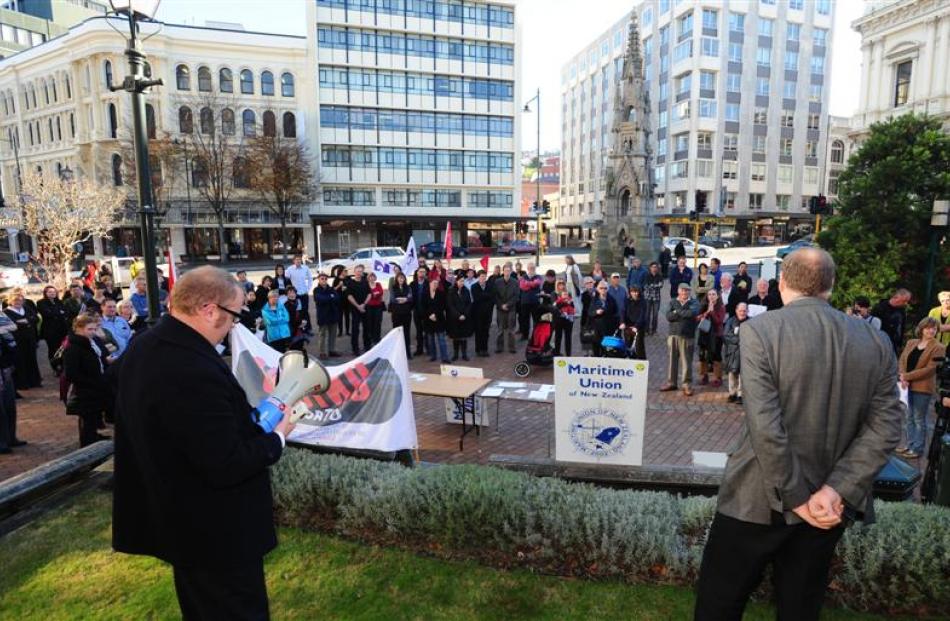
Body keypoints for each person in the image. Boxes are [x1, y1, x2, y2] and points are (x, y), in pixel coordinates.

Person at [695, 248, 902, 621]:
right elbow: (886, 426)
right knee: (800, 609)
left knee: (719, 604)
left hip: (756, 499)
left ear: (782, 283)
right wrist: (835, 490)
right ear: (831, 286)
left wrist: (798, 498)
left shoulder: (760, 330)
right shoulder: (875, 341)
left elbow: (765, 425)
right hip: (828, 505)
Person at [113, 266, 295, 620]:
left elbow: (189, 431)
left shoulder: (146, 345)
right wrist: (277, 437)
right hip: (217, 534)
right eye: (234, 316)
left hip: (183, 526)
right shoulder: (189, 366)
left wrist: (251, 417)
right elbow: (226, 462)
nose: (235, 325)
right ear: (210, 309)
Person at [897, 317, 945, 460]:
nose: (931, 330)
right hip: (906, 385)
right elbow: (902, 360)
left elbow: (929, 370)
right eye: (928, 327)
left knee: (919, 419)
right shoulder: (911, 343)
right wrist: (902, 376)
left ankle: (917, 449)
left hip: (922, 387)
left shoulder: (939, 347)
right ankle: (910, 444)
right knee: (908, 417)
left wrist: (906, 376)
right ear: (922, 329)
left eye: (934, 328)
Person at [63, 314, 111, 447]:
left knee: (94, 417)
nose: (93, 332)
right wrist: (91, 382)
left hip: (95, 386)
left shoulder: (90, 342)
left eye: (94, 329)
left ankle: (94, 436)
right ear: (79, 328)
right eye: (90, 329)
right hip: (85, 390)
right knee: (87, 420)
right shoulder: (73, 348)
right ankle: (88, 444)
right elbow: (71, 373)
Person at [660, 283, 699, 396]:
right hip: (673, 335)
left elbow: (691, 314)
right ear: (678, 291)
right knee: (672, 360)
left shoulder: (694, 302)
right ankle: (671, 382)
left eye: (687, 290)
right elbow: (668, 316)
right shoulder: (672, 301)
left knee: (686, 361)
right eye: (682, 290)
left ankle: (687, 384)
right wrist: (680, 312)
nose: (684, 293)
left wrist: (677, 311)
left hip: (687, 335)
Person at [4, 290, 42, 390]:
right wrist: (25, 322)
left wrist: (27, 320)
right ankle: (23, 383)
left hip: (30, 339)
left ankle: (34, 381)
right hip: (18, 340)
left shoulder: (26, 308)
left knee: (32, 360)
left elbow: (36, 318)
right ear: (10, 301)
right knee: (20, 361)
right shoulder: (6, 312)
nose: (18, 302)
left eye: (21, 300)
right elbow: (11, 324)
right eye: (16, 300)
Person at [0, 311, 21, 453]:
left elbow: (12, 326)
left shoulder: (1, 315)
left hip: (6, 367)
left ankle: (11, 438)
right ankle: (2, 442)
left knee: (9, 405)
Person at [696, 289, 726, 388]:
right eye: (709, 294)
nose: (711, 296)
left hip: (716, 335)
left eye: (714, 294)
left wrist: (712, 312)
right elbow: (697, 318)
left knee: (716, 356)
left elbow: (719, 321)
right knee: (703, 355)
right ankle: (704, 375)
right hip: (704, 334)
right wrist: (706, 312)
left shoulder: (721, 307)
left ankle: (717, 377)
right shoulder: (703, 305)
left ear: (717, 296)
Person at [722, 302, 749, 405]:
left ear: (747, 311)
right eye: (740, 310)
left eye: (744, 310)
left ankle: (740, 394)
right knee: (732, 373)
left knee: (743, 374)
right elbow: (726, 335)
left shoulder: (750, 321)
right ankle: (732, 393)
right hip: (732, 352)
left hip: (745, 352)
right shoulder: (730, 321)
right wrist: (739, 340)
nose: (742, 312)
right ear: (736, 310)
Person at [37, 285, 70, 369]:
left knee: (62, 348)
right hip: (50, 330)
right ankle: (55, 367)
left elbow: (66, 312)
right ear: (45, 293)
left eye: (54, 292)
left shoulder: (59, 301)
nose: (52, 293)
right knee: (52, 349)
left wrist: (56, 313)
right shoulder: (41, 302)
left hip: (62, 329)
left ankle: (63, 365)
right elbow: (47, 313)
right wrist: (59, 312)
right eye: (50, 292)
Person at [871, 288, 911, 356]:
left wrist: (900, 344)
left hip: (894, 344)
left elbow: (902, 327)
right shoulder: (880, 308)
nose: (905, 303)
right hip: (880, 343)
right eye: (904, 301)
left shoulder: (902, 311)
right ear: (897, 297)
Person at [313, 273, 341, 360]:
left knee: (333, 334)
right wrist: (330, 297)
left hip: (333, 314)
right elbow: (320, 299)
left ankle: (331, 350)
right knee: (322, 334)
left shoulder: (331, 288)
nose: (324, 280)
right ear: (318, 279)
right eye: (322, 278)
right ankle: (322, 352)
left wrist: (328, 297)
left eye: (325, 278)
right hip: (323, 315)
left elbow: (337, 298)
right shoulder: (316, 290)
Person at [423, 278, 451, 363]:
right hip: (428, 320)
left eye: (436, 283)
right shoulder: (425, 294)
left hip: (439, 319)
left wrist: (435, 314)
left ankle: (445, 357)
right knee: (431, 340)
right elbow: (422, 306)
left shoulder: (441, 294)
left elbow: (442, 306)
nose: (435, 285)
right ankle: (433, 356)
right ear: (429, 284)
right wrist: (429, 315)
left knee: (441, 340)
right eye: (433, 283)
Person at [447, 275, 474, 361]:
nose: (462, 283)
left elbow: (469, 304)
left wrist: (464, 315)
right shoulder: (451, 291)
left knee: (464, 337)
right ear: (456, 281)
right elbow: (450, 305)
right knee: (456, 338)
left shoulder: (466, 291)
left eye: (463, 281)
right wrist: (458, 315)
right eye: (460, 281)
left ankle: (464, 354)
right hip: (455, 318)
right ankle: (455, 354)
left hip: (464, 318)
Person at [346, 265, 371, 355]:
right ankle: (355, 349)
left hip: (365, 308)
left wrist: (364, 304)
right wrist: (358, 306)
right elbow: (349, 296)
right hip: (355, 309)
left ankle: (367, 346)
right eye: (357, 271)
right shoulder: (350, 283)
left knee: (367, 328)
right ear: (354, 272)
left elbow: (369, 294)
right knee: (355, 329)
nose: (359, 273)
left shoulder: (365, 282)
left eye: (361, 271)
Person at [590, 280, 619, 357]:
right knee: (596, 349)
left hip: (608, 328)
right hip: (596, 329)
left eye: (605, 288)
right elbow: (590, 312)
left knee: (607, 349)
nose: (603, 290)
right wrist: (596, 312)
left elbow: (615, 312)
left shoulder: (611, 299)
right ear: (597, 289)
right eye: (601, 288)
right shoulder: (594, 299)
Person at [494, 264, 519, 354]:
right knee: (500, 329)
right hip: (500, 309)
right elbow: (495, 296)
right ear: (503, 271)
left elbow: (516, 296)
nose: (507, 272)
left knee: (511, 329)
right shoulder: (497, 282)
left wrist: (507, 304)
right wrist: (501, 305)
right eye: (505, 270)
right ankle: (499, 347)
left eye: (509, 270)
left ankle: (512, 347)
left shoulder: (515, 282)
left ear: (511, 271)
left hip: (511, 308)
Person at [388, 271, 414, 357]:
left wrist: (405, 299)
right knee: (397, 333)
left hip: (406, 313)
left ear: (405, 279)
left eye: (402, 278)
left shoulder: (408, 287)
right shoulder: (393, 287)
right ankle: (397, 352)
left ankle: (407, 352)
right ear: (396, 279)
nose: (401, 279)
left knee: (406, 333)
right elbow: (392, 299)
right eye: (399, 278)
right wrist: (404, 299)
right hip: (396, 313)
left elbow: (410, 297)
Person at [471, 270, 494, 357]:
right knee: (478, 332)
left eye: (484, 276)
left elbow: (492, 298)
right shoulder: (474, 286)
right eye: (481, 276)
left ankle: (485, 349)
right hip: (477, 314)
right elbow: (477, 298)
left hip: (488, 313)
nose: (483, 278)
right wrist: (486, 296)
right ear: (478, 277)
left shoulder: (490, 286)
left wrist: (484, 296)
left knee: (486, 332)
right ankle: (478, 349)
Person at [619, 285, 646, 360]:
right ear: (630, 293)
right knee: (628, 346)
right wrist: (622, 322)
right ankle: (631, 361)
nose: (635, 294)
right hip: (628, 326)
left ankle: (642, 362)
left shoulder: (642, 302)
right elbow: (623, 312)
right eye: (633, 292)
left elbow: (642, 315)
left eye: (636, 292)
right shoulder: (626, 301)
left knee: (639, 347)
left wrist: (636, 326)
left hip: (638, 327)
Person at [286, 255, 313, 324]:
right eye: (296, 259)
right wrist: (289, 292)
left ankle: (307, 328)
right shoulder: (289, 269)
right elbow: (286, 280)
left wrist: (308, 289)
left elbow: (310, 279)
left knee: (305, 311)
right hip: (294, 295)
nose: (298, 261)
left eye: (299, 259)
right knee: (296, 311)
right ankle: (298, 329)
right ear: (293, 261)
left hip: (304, 293)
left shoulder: (305, 268)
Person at [518, 263, 542, 339]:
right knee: (525, 319)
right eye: (530, 267)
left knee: (536, 320)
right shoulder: (524, 277)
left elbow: (537, 283)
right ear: (527, 268)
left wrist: (527, 283)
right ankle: (525, 335)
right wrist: (532, 284)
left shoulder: (538, 276)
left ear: (535, 268)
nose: (531, 269)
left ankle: (536, 335)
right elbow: (522, 287)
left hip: (535, 301)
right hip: (525, 301)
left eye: (533, 268)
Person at [553, 280, 576, 357]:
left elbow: (572, 305)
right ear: (556, 285)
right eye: (559, 284)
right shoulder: (554, 294)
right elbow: (555, 307)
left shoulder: (568, 293)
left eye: (563, 284)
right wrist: (565, 303)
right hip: (558, 319)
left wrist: (567, 304)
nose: (561, 286)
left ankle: (568, 355)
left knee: (568, 338)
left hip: (568, 319)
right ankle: (556, 354)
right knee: (558, 337)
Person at [410, 267, 430, 357]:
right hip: (417, 310)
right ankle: (419, 349)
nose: (422, 273)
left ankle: (429, 349)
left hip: (426, 311)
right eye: (420, 272)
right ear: (417, 273)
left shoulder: (428, 283)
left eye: (424, 272)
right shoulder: (412, 284)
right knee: (419, 331)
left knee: (427, 331)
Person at [283, 287, 309, 351]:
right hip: (292, 330)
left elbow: (304, 313)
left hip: (300, 328)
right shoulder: (286, 305)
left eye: (293, 293)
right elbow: (290, 319)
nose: (292, 294)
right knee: (294, 348)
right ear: (287, 295)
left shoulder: (298, 302)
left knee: (300, 346)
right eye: (289, 293)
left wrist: (305, 321)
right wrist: (300, 323)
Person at [364, 272, 385, 347]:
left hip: (378, 306)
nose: (372, 278)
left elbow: (381, 292)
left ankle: (377, 338)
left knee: (378, 322)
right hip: (369, 306)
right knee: (370, 323)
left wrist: (374, 294)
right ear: (368, 278)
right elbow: (366, 294)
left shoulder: (378, 284)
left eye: (373, 276)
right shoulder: (366, 285)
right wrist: (374, 294)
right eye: (370, 277)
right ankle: (371, 338)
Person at [643, 262, 664, 335]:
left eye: (655, 267)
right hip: (648, 298)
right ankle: (646, 330)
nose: (654, 268)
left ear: (657, 268)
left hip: (656, 298)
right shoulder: (647, 276)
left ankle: (654, 330)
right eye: (653, 267)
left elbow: (661, 285)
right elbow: (645, 286)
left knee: (655, 315)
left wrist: (651, 285)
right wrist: (655, 285)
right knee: (647, 314)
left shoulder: (660, 276)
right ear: (650, 268)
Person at [580, 277, 596, 355]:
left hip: (595, 318)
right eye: (587, 283)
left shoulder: (598, 293)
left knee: (595, 335)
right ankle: (586, 353)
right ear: (584, 285)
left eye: (591, 282)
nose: (589, 284)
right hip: (586, 318)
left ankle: (594, 352)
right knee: (585, 335)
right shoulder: (583, 295)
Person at [331, 267, 349, 337]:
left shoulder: (348, 279)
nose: (346, 272)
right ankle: (340, 331)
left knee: (347, 316)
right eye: (345, 271)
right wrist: (339, 285)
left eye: (346, 271)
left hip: (347, 300)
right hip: (339, 300)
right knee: (340, 316)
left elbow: (350, 287)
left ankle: (347, 331)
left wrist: (347, 288)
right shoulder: (336, 279)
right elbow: (333, 290)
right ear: (341, 272)